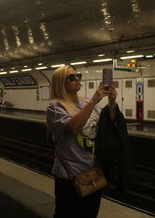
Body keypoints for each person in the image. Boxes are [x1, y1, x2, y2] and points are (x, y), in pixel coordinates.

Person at [46, 65, 117, 218]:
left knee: (90, 214)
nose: (77, 79)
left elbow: (106, 126)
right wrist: (94, 100)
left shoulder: (86, 102)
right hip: (70, 175)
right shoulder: (55, 106)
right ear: (60, 82)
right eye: (71, 77)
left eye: (78, 75)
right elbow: (72, 128)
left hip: (93, 173)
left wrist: (111, 103)